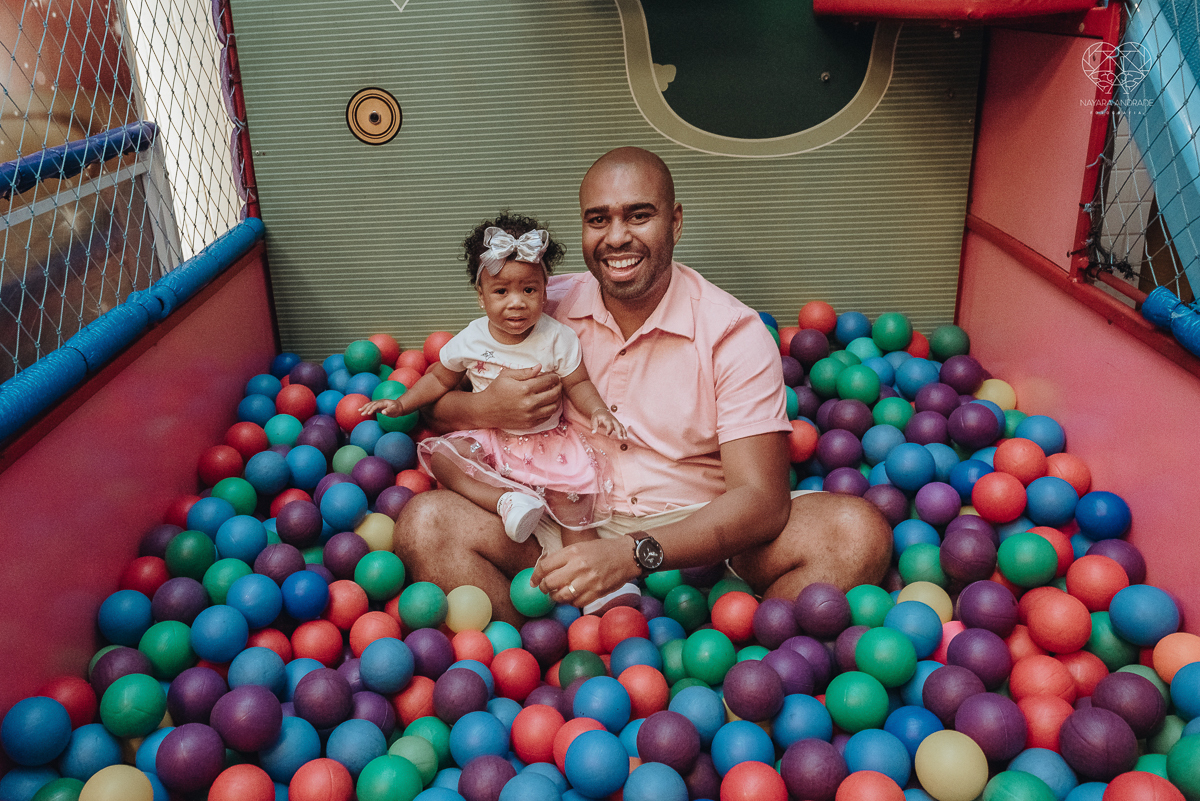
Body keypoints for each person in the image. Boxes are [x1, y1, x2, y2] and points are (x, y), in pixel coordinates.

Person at [393, 147, 892, 624]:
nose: (616, 237)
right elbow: (434, 406)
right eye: (598, 220)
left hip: (700, 540)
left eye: (638, 216)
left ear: (675, 222)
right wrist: (488, 409)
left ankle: (721, 658)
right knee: (425, 524)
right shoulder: (537, 303)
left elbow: (762, 500)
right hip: (560, 522)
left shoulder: (731, 332)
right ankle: (548, 661)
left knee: (855, 533)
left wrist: (631, 553)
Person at [361, 213, 641, 612]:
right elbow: (439, 377)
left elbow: (578, 383)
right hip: (494, 439)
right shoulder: (471, 338)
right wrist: (403, 403)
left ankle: (593, 584)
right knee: (444, 459)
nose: (516, 302)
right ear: (481, 296)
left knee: (572, 504)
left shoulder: (557, 338)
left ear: (545, 290)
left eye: (529, 289)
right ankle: (505, 501)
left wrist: (599, 411)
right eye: (501, 291)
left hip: (546, 444)